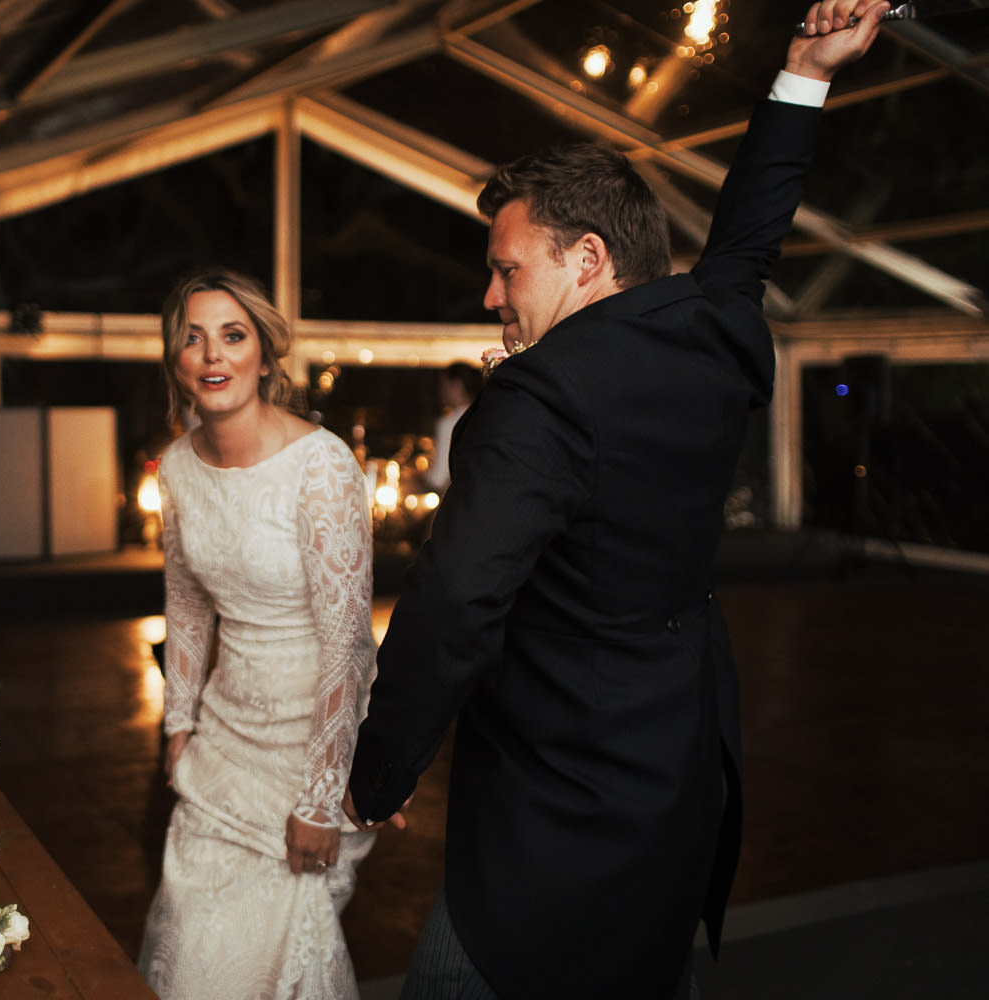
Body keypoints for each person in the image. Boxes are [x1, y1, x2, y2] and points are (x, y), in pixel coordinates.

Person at [343, 4, 892, 999]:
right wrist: (805, 73)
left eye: (507, 269)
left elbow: (457, 602)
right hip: (674, 783)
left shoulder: (538, 399)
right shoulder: (713, 331)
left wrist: (380, 772)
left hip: (549, 826)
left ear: (588, 260)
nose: (491, 296)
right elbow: (747, 244)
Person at [137, 268, 378, 999]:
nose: (213, 355)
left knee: (274, 960)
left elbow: (348, 643)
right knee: (193, 950)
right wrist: (179, 725)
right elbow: (185, 606)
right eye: (193, 338)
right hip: (221, 744)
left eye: (232, 336)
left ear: (266, 357)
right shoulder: (177, 467)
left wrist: (320, 796)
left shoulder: (322, 467)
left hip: (309, 748)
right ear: (177, 362)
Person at [424, 361, 483, 493]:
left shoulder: (448, 423)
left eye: (443, 384)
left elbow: (438, 479)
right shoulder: (485, 416)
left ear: (457, 384)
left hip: (458, 501)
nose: (440, 391)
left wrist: (419, 477)